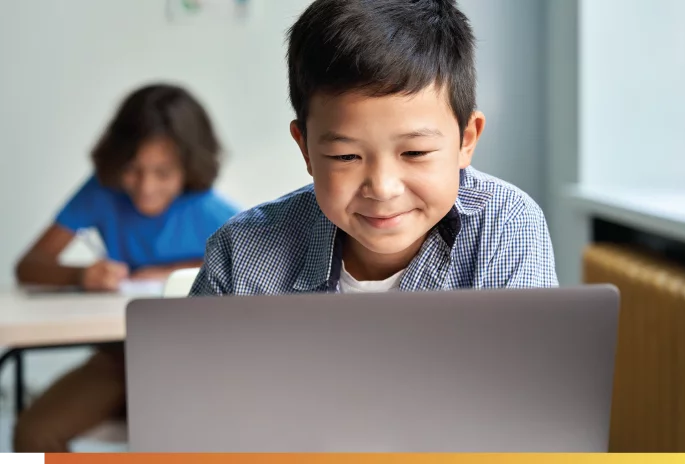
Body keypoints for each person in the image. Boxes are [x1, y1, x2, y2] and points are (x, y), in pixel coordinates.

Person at [190, 0, 557, 298]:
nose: (382, 187)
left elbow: (530, 384)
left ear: (466, 140)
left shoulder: (506, 225)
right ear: (306, 151)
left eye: (414, 153)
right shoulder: (241, 251)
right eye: (346, 156)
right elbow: (195, 383)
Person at [13, 83, 240, 453]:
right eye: (133, 170)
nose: (146, 186)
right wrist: (81, 275)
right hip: (119, 357)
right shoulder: (102, 192)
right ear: (116, 161)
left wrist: (172, 272)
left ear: (189, 167)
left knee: (188, 441)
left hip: (196, 362)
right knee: (33, 433)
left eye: (163, 173)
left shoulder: (208, 208)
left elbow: (259, 264)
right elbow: (29, 266)